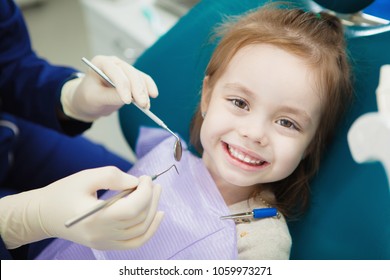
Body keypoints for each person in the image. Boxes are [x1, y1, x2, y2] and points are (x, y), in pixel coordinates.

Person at [34, 4, 353, 260]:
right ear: (206, 96)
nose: (254, 133)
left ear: (312, 144)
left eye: (287, 123)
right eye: (240, 102)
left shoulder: (261, 242)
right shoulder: (162, 149)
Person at [0, 0, 163, 259]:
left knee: (128, 185)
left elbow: (10, 64)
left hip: (11, 136)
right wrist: (19, 220)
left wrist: (69, 96)